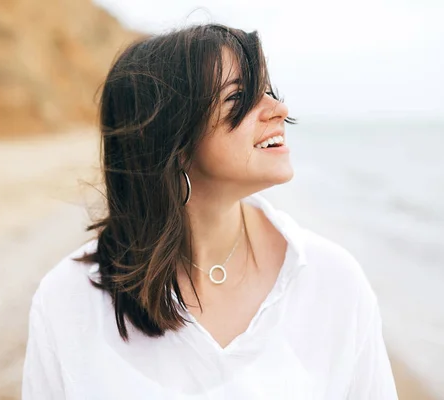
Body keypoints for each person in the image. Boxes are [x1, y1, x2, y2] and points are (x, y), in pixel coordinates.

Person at [22, 23, 398, 399]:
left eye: (269, 91)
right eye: (239, 97)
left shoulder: (332, 282)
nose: (278, 109)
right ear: (171, 139)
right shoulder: (69, 300)